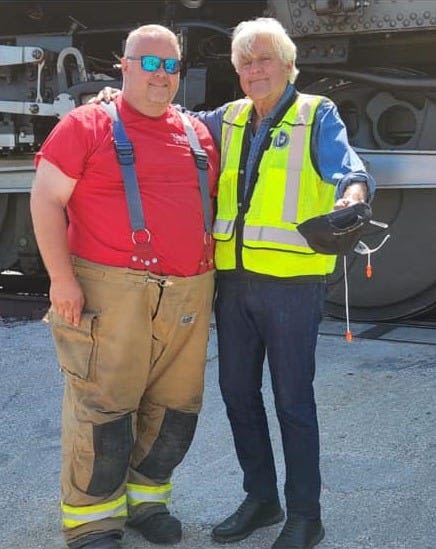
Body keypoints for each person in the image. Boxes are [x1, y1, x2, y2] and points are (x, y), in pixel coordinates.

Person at [94, 16, 375, 549]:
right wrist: (119, 98)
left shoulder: (317, 114)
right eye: (245, 62)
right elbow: (172, 118)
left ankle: (305, 516)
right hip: (236, 282)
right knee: (237, 392)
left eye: (264, 58)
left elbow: (348, 167)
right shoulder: (229, 117)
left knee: (293, 400)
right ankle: (262, 498)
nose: (254, 70)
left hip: (291, 285)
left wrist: (353, 196)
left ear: (288, 65)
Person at [30, 24, 219, 549]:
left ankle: (147, 501)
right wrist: (61, 280)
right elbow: (45, 200)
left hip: (187, 294)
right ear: (125, 65)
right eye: (150, 64)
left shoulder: (197, 132)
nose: (161, 76)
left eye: (171, 66)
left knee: (176, 408)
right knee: (104, 409)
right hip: (111, 291)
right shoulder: (88, 124)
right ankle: (91, 522)